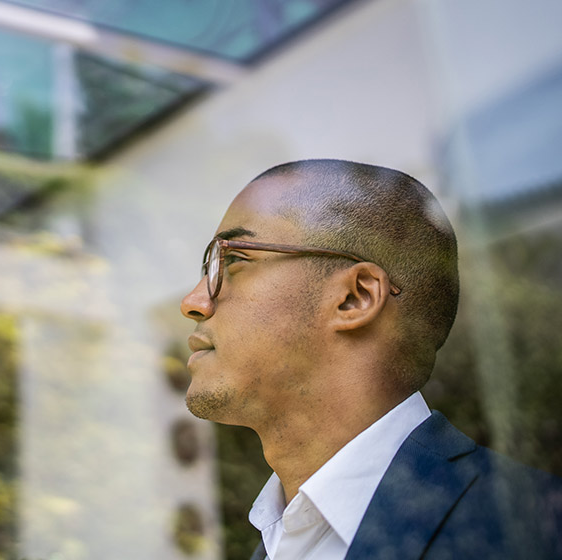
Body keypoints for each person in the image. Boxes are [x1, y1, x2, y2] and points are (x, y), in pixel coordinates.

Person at [179, 159, 562, 560]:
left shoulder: (530, 529)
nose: (194, 302)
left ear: (355, 297)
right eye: (209, 267)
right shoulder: (278, 540)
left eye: (235, 260)